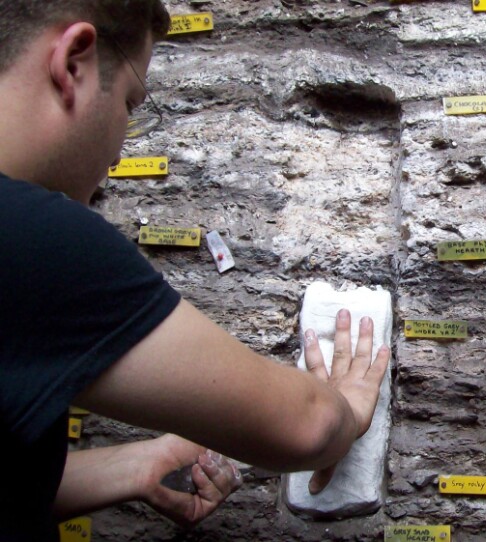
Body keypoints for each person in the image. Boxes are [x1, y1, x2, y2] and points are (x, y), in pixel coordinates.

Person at [0, 1, 391, 540]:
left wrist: (134, 465)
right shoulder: (35, 237)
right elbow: (305, 426)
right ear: (73, 63)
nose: (118, 152)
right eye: (131, 103)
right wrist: (345, 409)